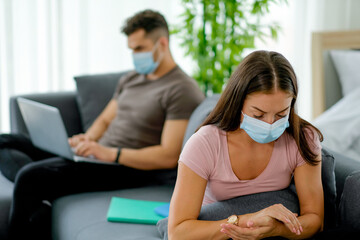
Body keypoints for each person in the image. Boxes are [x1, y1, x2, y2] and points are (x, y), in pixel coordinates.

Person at [0, 10, 204, 239]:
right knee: (6, 141)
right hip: (98, 156)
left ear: (162, 43)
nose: (135, 56)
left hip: (127, 168)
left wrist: (111, 154)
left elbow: (168, 156)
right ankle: (40, 200)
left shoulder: (182, 89)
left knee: (30, 177)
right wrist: (87, 139)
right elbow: (106, 119)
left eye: (139, 48)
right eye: (131, 49)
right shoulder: (131, 78)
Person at [168, 50, 324, 240]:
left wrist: (277, 228)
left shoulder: (303, 139)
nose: (269, 124)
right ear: (238, 102)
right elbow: (177, 233)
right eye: (258, 115)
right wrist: (249, 220)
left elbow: (315, 219)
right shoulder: (205, 143)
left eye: (281, 115)